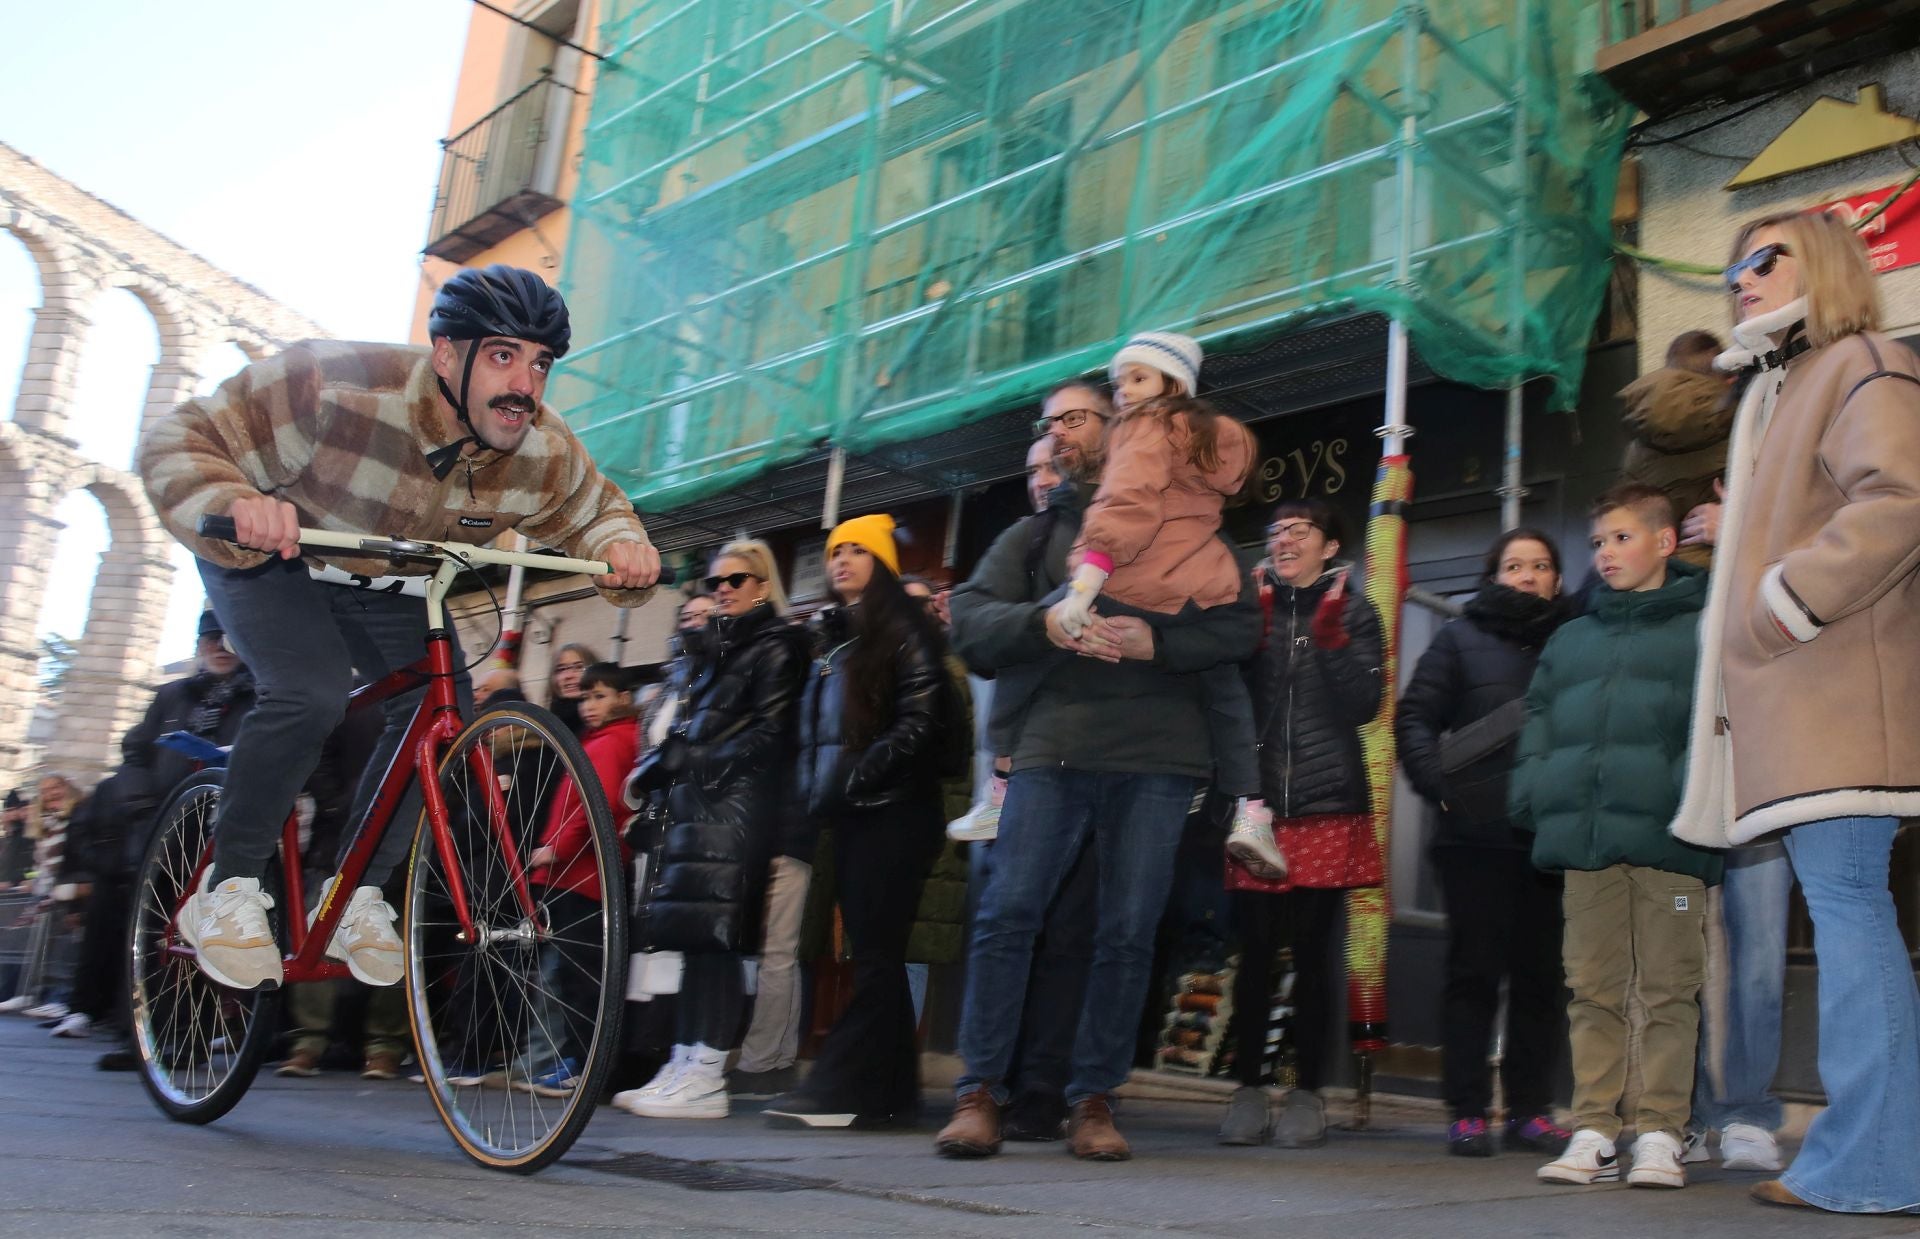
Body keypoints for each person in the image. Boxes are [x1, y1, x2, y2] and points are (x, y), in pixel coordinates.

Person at [135, 264, 662, 994]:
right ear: (447, 354)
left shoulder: (539, 446)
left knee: (442, 705)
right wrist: (232, 498)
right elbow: (179, 438)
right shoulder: (333, 383)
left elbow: (598, 508)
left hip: (388, 577)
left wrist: (622, 547)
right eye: (504, 356)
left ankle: (355, 893)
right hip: (271, 554)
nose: (525, 385)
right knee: (312, 693)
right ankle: (224, 890)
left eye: (541, 364)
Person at [1669, 210, 1920, 1215]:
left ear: (1820, 263)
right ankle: (1875, 1156)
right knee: (1858, 917)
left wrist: (1780, 603)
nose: (1739, 278)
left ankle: (1872, 1161)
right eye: (1731, 264)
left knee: (1854, 917)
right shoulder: (1786, 381)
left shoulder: (1861, 359)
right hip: (1809, 703)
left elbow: (1900, 501)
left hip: (1835, 697)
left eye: (1761, 259)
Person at [941, 382, 1262, 1161]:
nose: (1057, 435)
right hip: (1052, 749)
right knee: (1007, 916)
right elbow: (972, 624)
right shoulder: (1034, 534)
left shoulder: (1190, 524)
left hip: (1159, 757)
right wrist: (1042, 620)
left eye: (1075, 417)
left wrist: (1162, 645)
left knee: (1126, 934)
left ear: (1124, 425)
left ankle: (1094, 1099)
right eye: (1048, 423)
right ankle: (979, 1090)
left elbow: (1241, 626)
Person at [1510, 483, 1720, 1190]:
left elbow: (1718, 723)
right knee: (1592, 987)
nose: (1605, 553)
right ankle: (1595, 1127)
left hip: (1672, 842)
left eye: (1622, 537)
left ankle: (1661, 1131)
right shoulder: (1573, 635)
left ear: (1665, 541)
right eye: (1598, 541)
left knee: (1670, 989)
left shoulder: (1705, 626)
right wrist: (1533, 792)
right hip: (1585, 840)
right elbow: (1538, 718)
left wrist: (1686, 799)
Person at [764, 515, 949, 1129]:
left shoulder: (903, 629)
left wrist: (853, 777)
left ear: (882, 563)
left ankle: (838, 1087)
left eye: (856, 550)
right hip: (853, 813)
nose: (840, 558)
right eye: (836, 549)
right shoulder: (840, 638)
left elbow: (920, 722)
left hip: (892, 813)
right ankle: (889, 1097)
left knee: (874, 956)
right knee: (879, 956)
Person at [1050, 333, 1265, 857]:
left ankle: (1004, 780)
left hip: (1134, 574)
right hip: (1197, 579)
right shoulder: (1206, 439)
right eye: (1121, 380)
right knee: (1225, 690)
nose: (1124, 391)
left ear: (1175, 384)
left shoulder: (1145, 426)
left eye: (1138, 377)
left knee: (1048, 636)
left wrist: (1088, 577)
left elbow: (1128, 502)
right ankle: (1252, 808)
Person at [1396, 530, 1572, 1157]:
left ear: (1557, 577)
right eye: (1514, 565)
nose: (1528, 576)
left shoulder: (1575, 640)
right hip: (1474, 839)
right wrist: (1438, 784)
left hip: (1552, 838)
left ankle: (1529, 1111)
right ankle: (1467, 1109)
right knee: (1473, 973)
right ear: (1493, 575)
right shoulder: (1458, 639)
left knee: (1541, 979)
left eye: (1541, 565)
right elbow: (1413, 716)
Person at [615, 541, 806, 1119]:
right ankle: (684, 1060)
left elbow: (771, 735)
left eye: (738, 578)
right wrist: (663, 768)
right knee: (696, 941)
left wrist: (693, 762)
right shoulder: (713, 650)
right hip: (698, 811)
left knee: (721, 941)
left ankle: (706, 1073)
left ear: (763, 586)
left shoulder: (777, 645)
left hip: (737, 812)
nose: (723, 587)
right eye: (716, 579)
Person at [1215, 500, 1384, 1149]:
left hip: (1326, 801)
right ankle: (1249, 1088)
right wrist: (1244, 632)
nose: (1283, 538)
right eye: (1275, 530)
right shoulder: (1245, 604)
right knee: (1254, 955)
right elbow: (1224, 700)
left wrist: (1334, 637)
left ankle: (1308, 1091)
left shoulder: (1357, 607)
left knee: (1313, 955)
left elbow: (1366, 705)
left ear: (1329, 545)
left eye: (1299, 530)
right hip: (1256, 807)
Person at [59, 611, 257, 1053]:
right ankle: (140, 1032)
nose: (219, 649)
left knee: (204, 932)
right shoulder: (170, 696)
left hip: (217, 824)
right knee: (152, 932)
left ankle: (188, 1035)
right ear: (199, 644)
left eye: (227, 640)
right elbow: (134, 751)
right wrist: (139, 801)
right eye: (210, 640)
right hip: (160, 823)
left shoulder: (260, 695)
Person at [506, 662, 641, 1095]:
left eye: (599, 696)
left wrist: (554, 850)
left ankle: (589, 1069)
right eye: (585, 698)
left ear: (624, 697)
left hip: (581, 875)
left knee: (581, 980)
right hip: (579, 873)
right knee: (575, 977)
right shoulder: (605, 740)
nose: (589, 706)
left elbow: (590, 807)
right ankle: (581, 1064)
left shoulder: (611, 743)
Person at [946, 433, 1059, 845]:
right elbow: (979, 642)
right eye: (1033, 471)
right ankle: (998, 790)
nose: (1040, 481)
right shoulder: (1022, 540)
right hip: (1022, 754)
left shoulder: (1102, 534)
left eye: (1053, 468)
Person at [1618, 331, 1736, 570]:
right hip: (1727, 570)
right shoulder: (1749, 418)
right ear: (1728, 378)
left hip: (1662, 578)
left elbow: (1624, 525)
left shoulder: (1638, 445)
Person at [546, 643, 601, 736]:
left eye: (579, 667)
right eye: (561, 669)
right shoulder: (545, 725)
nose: (568, 676)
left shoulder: (605, 723)